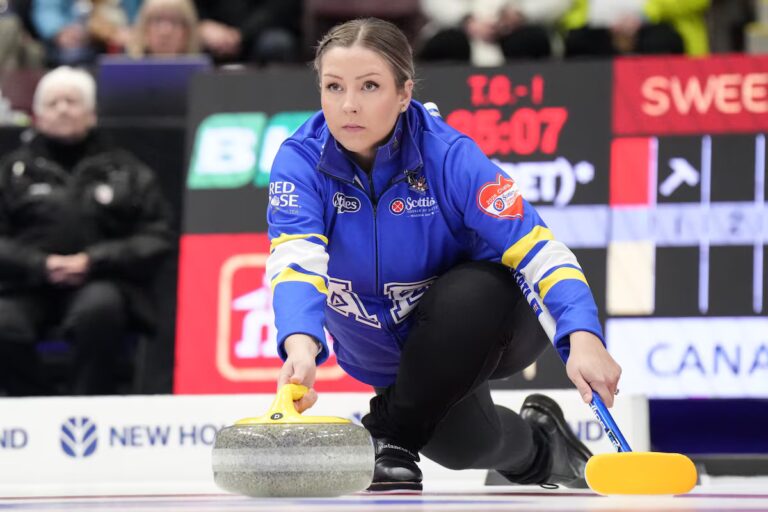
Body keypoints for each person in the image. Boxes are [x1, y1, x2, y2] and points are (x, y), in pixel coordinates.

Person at [267, 18, 621, 492]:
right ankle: (542, 446)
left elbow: (538, 247)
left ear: (403, 93)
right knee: (464, 448)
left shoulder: (448, 155)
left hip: (488, 322)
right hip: (394, 353)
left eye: (370, 86)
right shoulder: (299, 160)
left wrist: (582, 335)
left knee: (467, 294)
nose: (348, 105)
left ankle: (387, 432)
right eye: (333, 87)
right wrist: (300, 346)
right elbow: (297, 260)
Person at [0, 66, 174, 396]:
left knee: (100, 310)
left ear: (91, 114)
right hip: (26, 284)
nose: (63, 109)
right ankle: (36, 408)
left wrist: (92, 260)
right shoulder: (11, 172)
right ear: (37, 116)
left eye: (72, 101)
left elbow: (156, 237)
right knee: (3, 323)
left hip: (100, 282)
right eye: (53, 103)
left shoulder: (126, 169)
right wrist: (40, 264)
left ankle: (86, 407)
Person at [418, 0, 571, 64]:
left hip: (520, 30)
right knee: (446, 45)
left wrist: (520, 14)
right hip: (459, 31)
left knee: (531, 42)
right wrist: (467, 20)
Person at [561, 0, 710, 57]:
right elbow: (573, 8)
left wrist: (648, 11)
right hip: (600, 28)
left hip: (663, 27)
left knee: (662, 42)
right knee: (577, 42)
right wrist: (601, 17)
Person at [128, 0, 201, 58]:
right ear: (144, 29)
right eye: (158, 20)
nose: (165, 31)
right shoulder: (126, 74)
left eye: (174, 21)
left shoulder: (203, 74)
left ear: (188, 31)